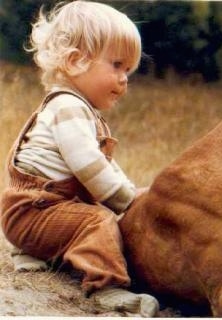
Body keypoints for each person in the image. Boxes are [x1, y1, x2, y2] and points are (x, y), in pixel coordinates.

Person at [0, 1, 159, 316]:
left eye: (128, 70)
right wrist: (127, 201)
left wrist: (132, 192)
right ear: (75, 62)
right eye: (117, 65)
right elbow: (90, 166)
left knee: (94, 213)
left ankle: (34, 251)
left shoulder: (81, 111)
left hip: (39, 211)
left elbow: (104, 165)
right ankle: (106, 286)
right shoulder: (67, 108)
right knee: (97, 220)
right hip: (32, 211)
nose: (125, 78)